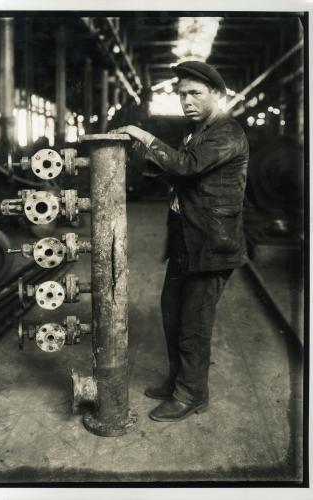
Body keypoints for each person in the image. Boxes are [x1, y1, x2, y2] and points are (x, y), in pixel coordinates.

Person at [111, 60, 249, 422]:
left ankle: (191, 395)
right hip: (186, 241)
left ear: (218, 95)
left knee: (193, 324)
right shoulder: (196, 131)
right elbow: (176, 166)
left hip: (212, 245)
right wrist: (144, 156)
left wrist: (144, 137)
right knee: (172, 314)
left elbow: (185, 167)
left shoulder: (227, 132)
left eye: (195, 94)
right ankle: (178, 381)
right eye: (181, 93)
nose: (186, 100)